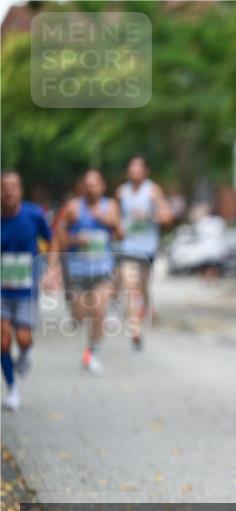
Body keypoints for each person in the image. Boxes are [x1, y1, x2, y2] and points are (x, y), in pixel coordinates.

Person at [51, 169, 122, 375]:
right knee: (80, 316)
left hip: (102, 270)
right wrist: (75, 240)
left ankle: (92, 354)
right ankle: (76, 315)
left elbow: (121, 234)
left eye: (95, 184)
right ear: (83, 187)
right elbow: (58, 236)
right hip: (77, 271)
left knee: (99, 313)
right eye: (88, 184)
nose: (91, 188)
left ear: (102, 186)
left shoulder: (111, 207)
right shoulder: (73, 208)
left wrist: (108, 222)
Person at [1, 171, 52, 411]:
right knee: (2, 341)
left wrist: (51, 269)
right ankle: (12, 388)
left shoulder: (33, 215)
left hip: (26, 289)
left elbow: (52, 241)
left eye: (13, 186)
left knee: (23, 339)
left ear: (20, 190)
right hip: (1, 290)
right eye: (4, 187)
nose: (8, 191)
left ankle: (25, 352)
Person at [117, 156, 172, 349]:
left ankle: (146, 310)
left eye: (138, 170)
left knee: (142, 288)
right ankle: (135, 329)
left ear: (145, 172)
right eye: (132, 170)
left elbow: (168, 216)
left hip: (148, 248)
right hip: (127, 248)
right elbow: (116, 218)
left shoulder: (152, 191)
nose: (135, 174)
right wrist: (117, 229)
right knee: (130, 287)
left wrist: (149, 215)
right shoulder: (121, 193)